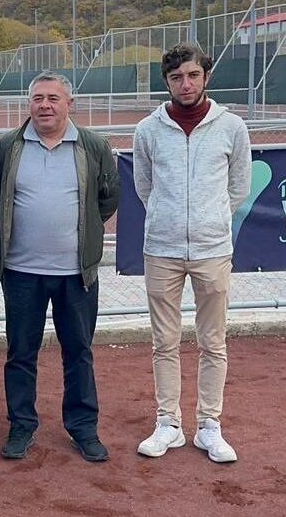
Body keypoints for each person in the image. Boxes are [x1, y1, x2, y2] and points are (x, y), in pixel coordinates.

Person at [0, 71, 120, 462]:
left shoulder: (93, 146)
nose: (45, 105)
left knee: (78, 352)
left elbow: (107, 199)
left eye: (53, 98)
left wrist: (82, 235)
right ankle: (21, 426)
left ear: (69, 104)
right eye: (38, 98)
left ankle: (83, 428)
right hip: (21, 271)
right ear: (29, 104)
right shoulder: (7, 146)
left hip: (76, 274)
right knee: (20, 353)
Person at [133, 43, 251, 463]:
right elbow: (144, 187)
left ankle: (209, 426)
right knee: (163, 342)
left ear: (206, 76)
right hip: (161, 250)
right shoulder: (147, 130)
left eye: (193, 75)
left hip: (212, 250)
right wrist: (168, 219)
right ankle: (168, 423)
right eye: (176, 77)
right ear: (167, 82)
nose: (185, 84)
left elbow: (238, 186)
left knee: (213, 342)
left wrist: (210, 220)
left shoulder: (231, 127)